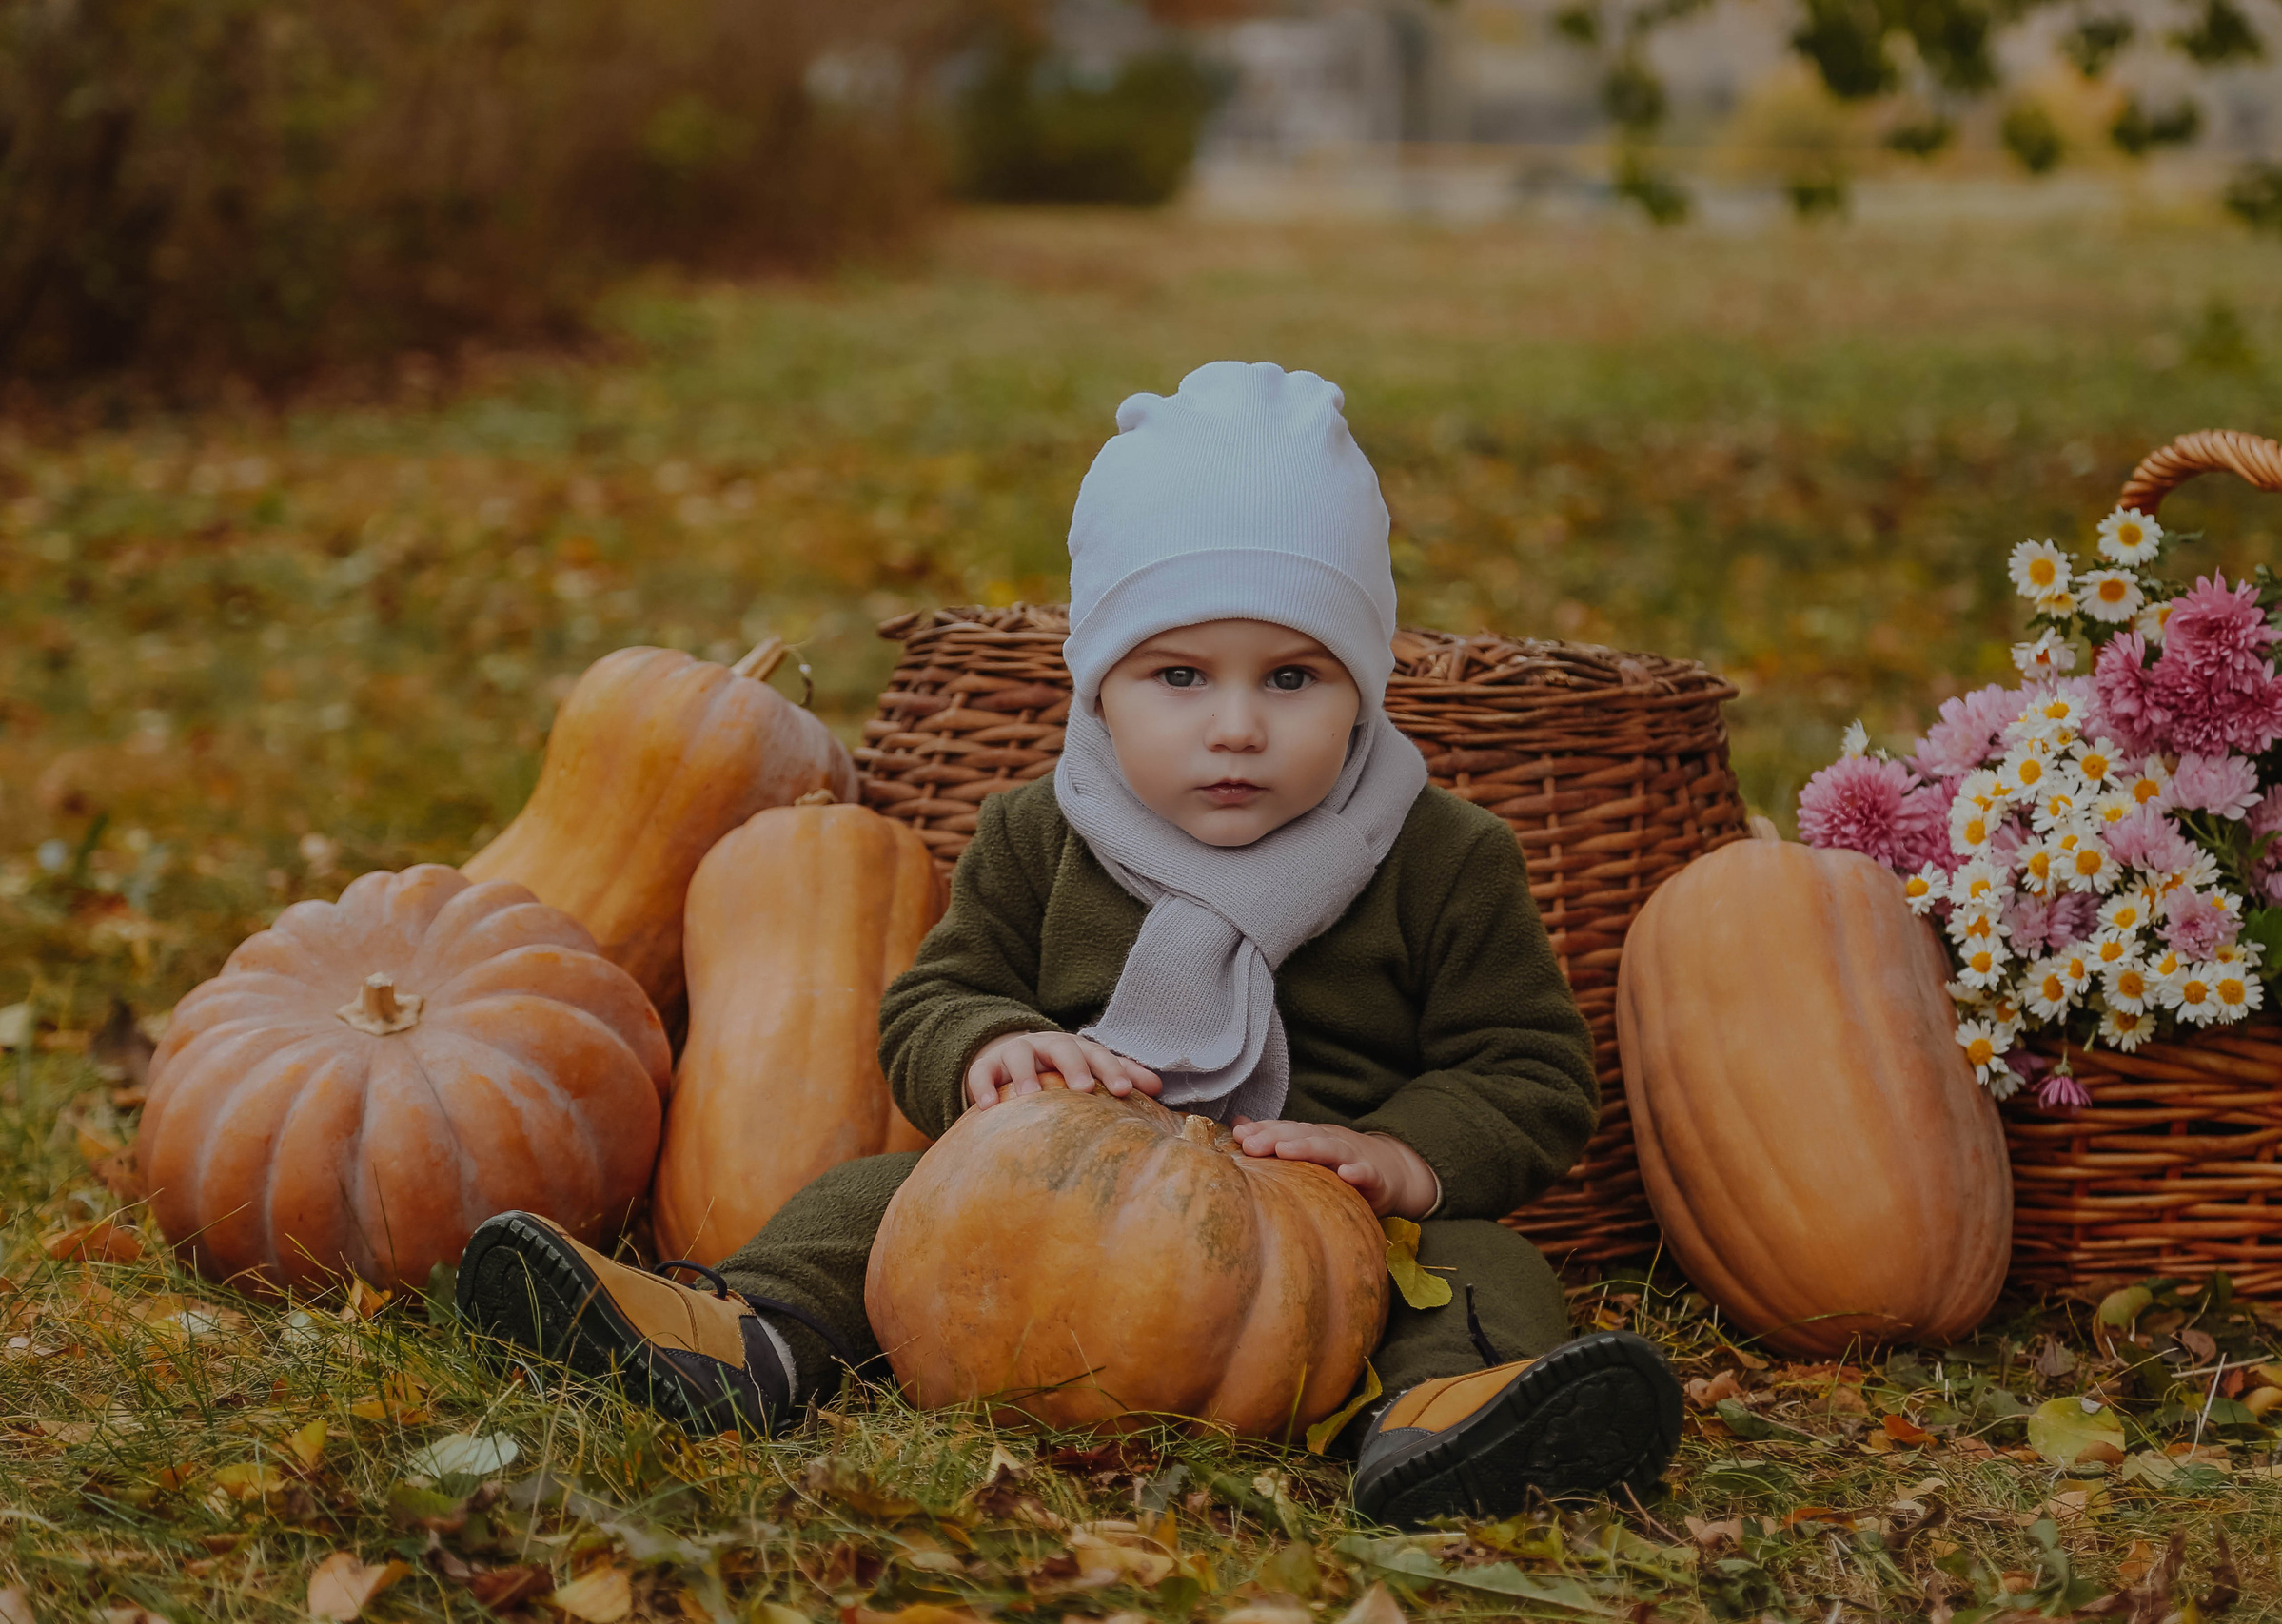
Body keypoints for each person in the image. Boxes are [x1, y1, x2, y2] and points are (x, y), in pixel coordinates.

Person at [456, 361, 1682, 1527]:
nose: (1239, 728)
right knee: (863, 1200)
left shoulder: (1440, 855)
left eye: (1297, 677)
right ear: (1098, 687)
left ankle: (1443, 1425)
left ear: (1367, 687)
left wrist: (1403, 1157)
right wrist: (996, 1050)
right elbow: (937, 997)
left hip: (1337, 1236)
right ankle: (737, 1338)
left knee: (1481, 1269)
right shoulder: (1042, 834)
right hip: (1046, 1202)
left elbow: (1529, 1071)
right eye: (1182, 676)